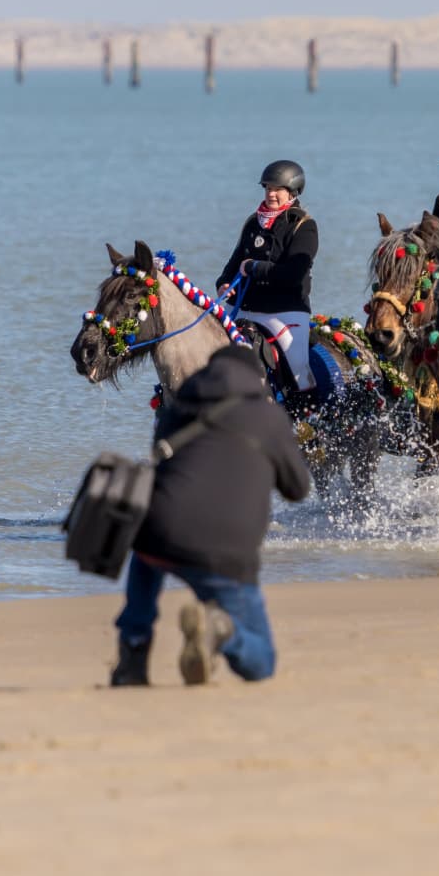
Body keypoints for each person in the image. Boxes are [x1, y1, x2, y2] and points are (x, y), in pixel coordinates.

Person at [110, 344, 311, 687]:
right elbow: (298, 488)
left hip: (163, 530)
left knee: (146, 550)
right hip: (227, 551)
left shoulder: (181, 405)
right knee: (262, 661)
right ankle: (221, 632)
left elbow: (162, 460)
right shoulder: (269, 417)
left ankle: (133, 652)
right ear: (256, 379)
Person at [217, 160, 318, 397]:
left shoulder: (304, 226)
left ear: (292, 192)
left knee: (298, 370)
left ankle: (307, 418)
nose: (271, 194)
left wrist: (254, 267)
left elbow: (293, 274)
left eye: (277, 189)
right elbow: (233, 265)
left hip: (284, 312)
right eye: (267, 188)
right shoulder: (253, 222)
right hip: (244, 309)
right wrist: (223, 284)